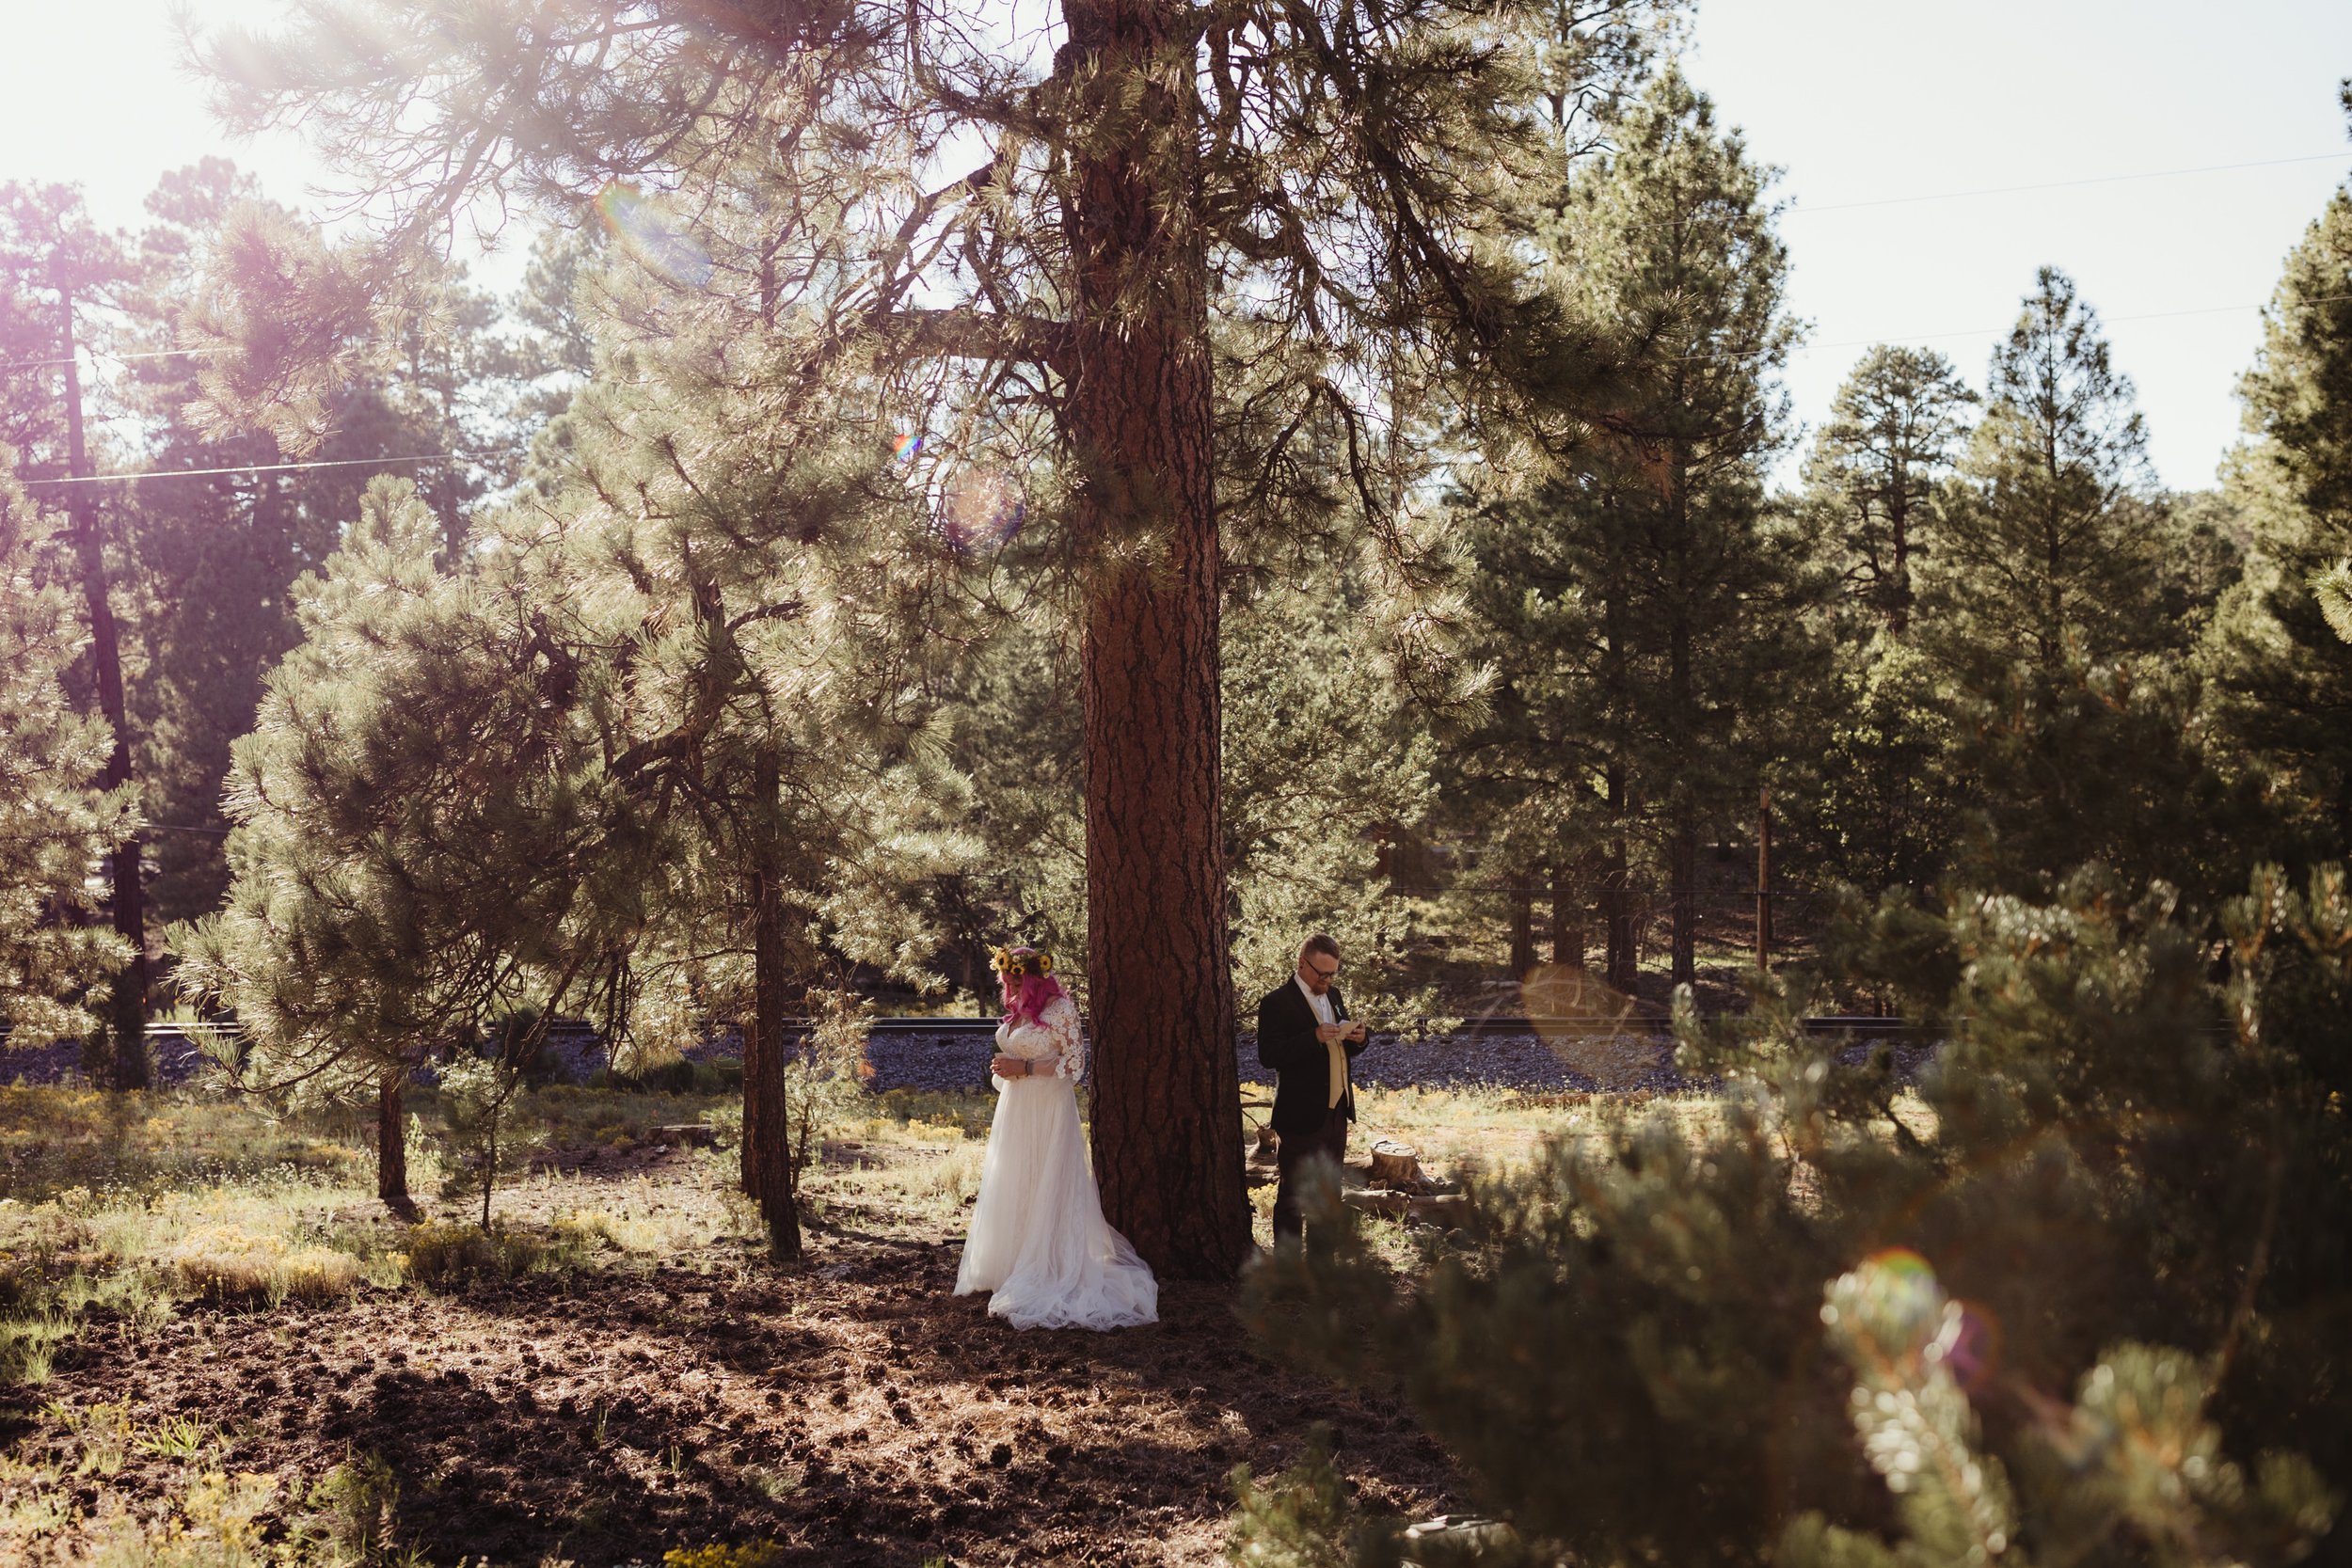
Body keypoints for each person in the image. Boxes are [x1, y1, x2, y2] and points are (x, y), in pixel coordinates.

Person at [954, 944, 1158, 1330]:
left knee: (1047, 1181)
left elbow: (1074, 1064)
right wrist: (1007, 1069)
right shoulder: (1017, 1012)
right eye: (1006, 980)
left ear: (1035, 977)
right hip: (1016, 1110)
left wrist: (1025, 1066)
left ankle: (1048, 1264)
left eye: (1017, 979)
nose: (1010, 987)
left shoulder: (1061, 1010)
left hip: (1048, 1108)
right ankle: (1012, 1261)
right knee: (1016, 1179)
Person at [1255, 932, 1371, 1246]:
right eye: (1322, 973)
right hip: (1300, 1116)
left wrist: (1360, 1038)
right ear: (1302, 964)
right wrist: (1313, 1037)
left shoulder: (1333, 996)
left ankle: (1322, 1269)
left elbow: (1343, 1050)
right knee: (1294, 1196)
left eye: (1333, 973)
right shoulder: (1277, 1002)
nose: (1328, 979)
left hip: (1336, 1114)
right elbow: (1269, 1056)